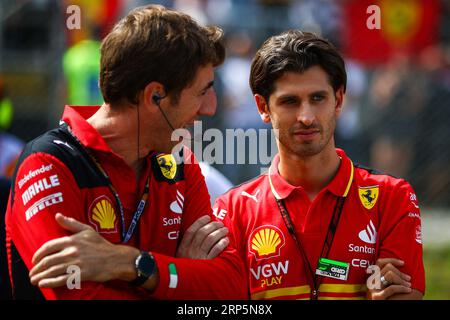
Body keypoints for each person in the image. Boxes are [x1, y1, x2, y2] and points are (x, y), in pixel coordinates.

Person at [5, 5, 246, 300]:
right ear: (154, 96)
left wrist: (129, 264)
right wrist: (180, 276)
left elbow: (231, 287)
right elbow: (78, 296)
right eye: (202, 92)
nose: (211, 108)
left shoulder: (180, 163)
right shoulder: (48, 164)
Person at [211, 30, 425, 300]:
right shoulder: (233, 210)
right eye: (290, 101)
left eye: (317, 98)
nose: (306, 117)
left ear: (338, 100)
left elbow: (408, 295)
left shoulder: (392, 197)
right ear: (263, 107)